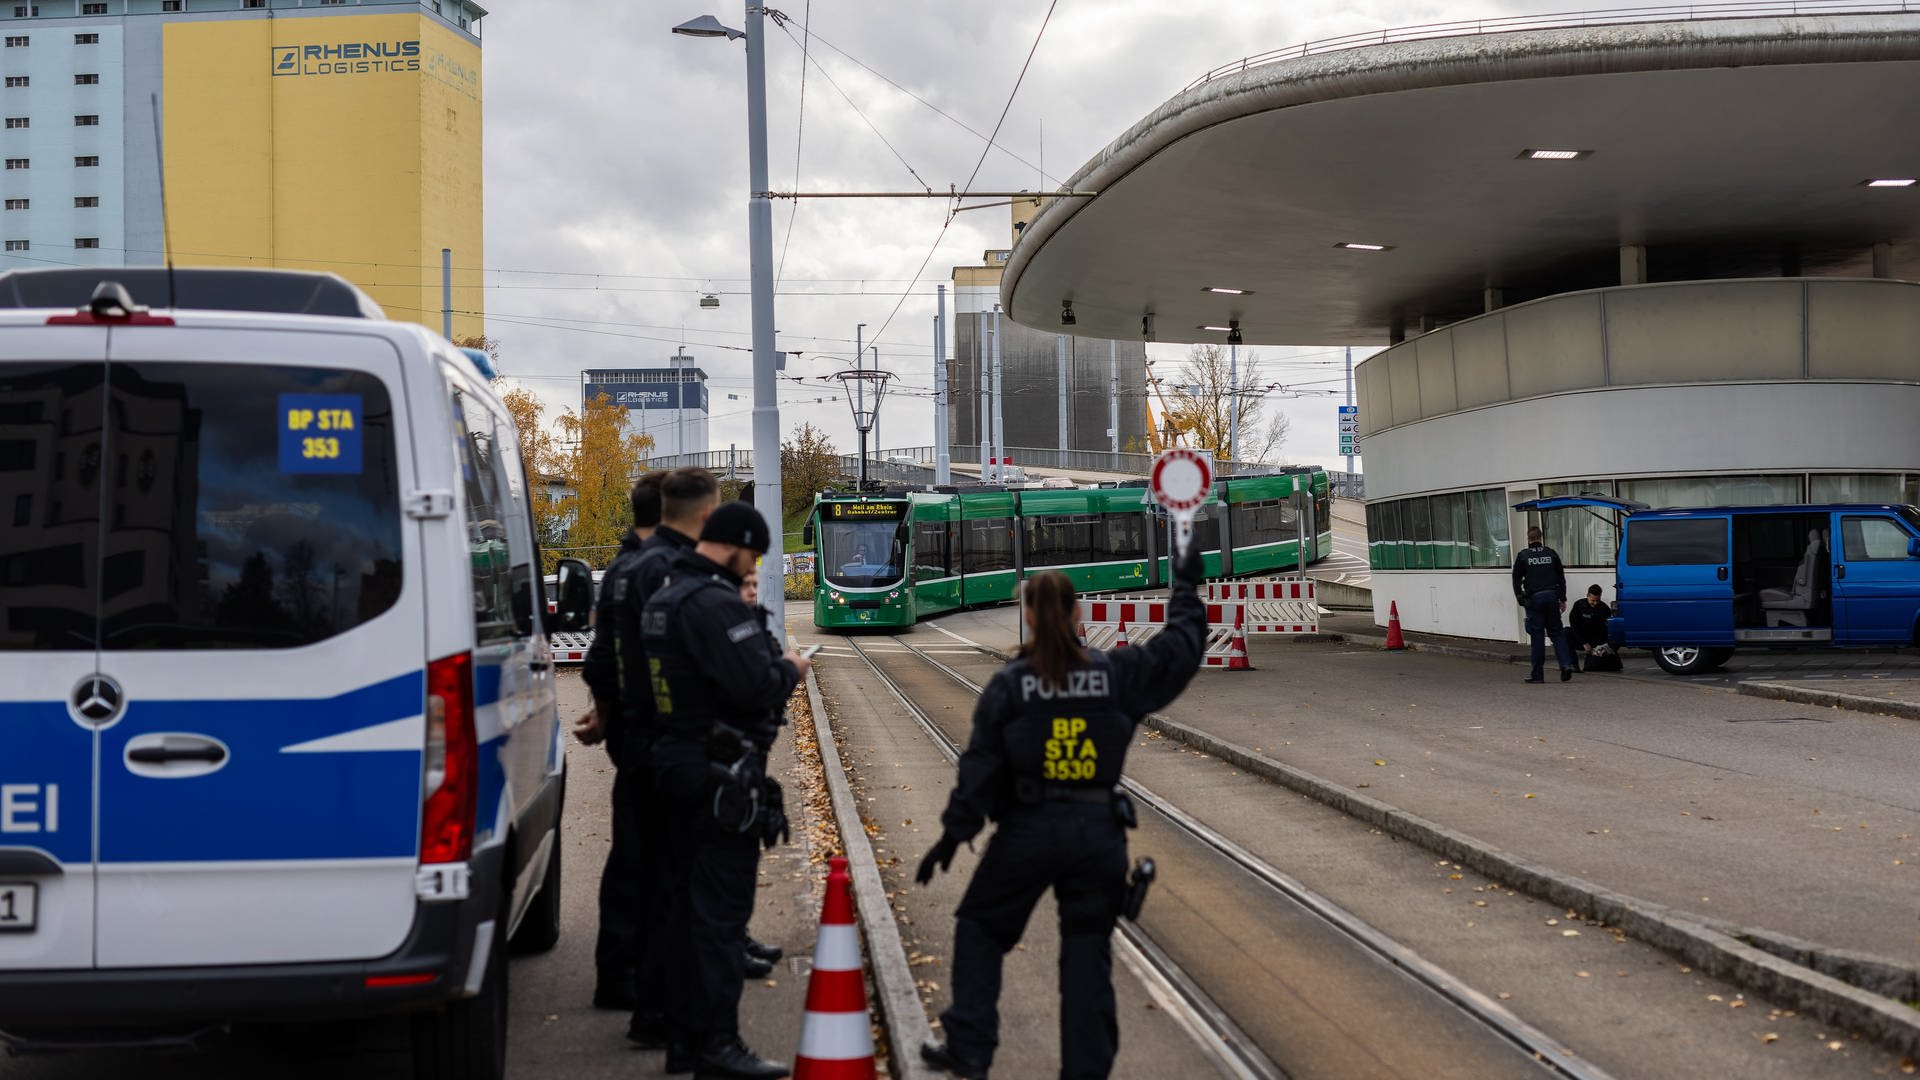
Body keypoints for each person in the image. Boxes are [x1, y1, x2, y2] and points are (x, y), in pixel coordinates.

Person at [915, 542, 1209, 1080]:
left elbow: (980, 767)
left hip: (1027, 831)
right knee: (1086, 952)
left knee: (980, 926)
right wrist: (1186, 590)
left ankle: (971, 1048)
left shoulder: (1011, 684)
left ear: (1026, 616)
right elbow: (1179, 651)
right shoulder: (1116, 674)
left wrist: (955, 835)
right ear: (1078, 614)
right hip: (1098, 834)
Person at [643, 501, 811, 1079]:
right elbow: (755, 684)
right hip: (717, 777)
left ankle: (685, 1043)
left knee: (685, 913)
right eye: (755, 554)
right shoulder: (714, 606)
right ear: (736, 544)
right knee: (718, 918)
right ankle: (717, 1044)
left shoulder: (665, 597)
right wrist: (791, 668)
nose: (754, 563)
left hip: (674, 768)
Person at [577, 472, 661, 1011]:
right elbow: (611, 653)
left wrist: (605, 709)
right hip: (652, 731)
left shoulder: (623, 569)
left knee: (635, 852)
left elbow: (600, 652)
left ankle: (623, 972)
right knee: (647, 856)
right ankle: (634, 977)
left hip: (631, 727)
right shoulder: (654, 571)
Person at [1512, 525, 1575, 683]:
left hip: (1535, 599)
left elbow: (1516, 579)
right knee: (1557, 633)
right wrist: (1562, 598)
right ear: (1540, 537)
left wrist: (1520, 597)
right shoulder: (1551, 553)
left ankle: (1537, 675)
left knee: (1537, 636)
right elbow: (1561, 577)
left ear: (1529, 538)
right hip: (1552, 597)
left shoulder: (1523, 556)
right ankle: (1566, 664)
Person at [1567, 584, 1614, 672]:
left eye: (1598, 600)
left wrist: (1599, 646)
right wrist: (1584, 642)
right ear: (1587, 596)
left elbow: (1605, 629)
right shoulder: (1579, 605)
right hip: (1580, 638)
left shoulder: (1604, 608)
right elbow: (1574, 626)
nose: (1595, 603)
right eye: (1593, 601)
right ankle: (1573, 665)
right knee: (1566, 633)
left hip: (1596, 640)